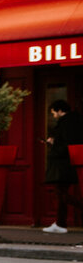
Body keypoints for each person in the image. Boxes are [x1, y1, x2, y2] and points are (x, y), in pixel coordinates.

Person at [43, 99, 83, 233]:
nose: (53, 116)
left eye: (54, 113)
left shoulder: (66, 124)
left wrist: (53, 144)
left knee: (61, 195)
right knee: (61, 194)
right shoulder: (74, 122)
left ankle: (60, 224)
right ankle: (60, 223)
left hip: (62, 165)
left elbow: (66, 145)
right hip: (67, 164)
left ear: (60, 111)